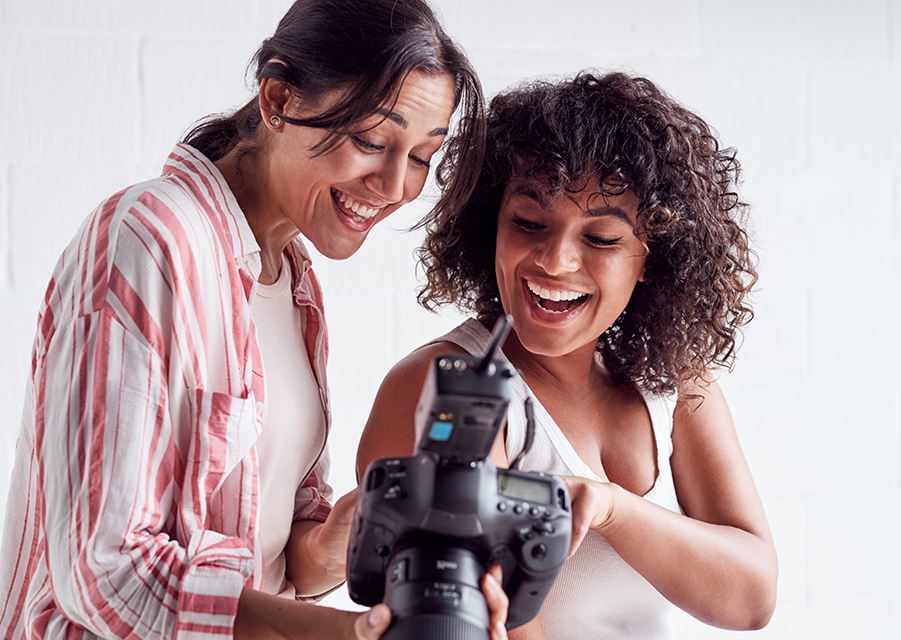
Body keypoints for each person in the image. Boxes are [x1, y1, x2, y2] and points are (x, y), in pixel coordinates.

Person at [0, 1, 511, 639]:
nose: (393, 184)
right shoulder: (150, 240)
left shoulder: (295, 281)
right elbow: (103, 570)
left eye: (420, 157)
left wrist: (339, 541)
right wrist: (340, 635)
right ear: (277, 99)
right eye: (372, 140)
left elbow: (270, 549)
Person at [357, 71, 778, 639]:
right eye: (529, 222)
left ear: (650, 254)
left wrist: (610, 508)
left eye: (601, 239)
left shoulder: (676, 384)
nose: (555, 261)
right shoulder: (449, 389)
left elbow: (751, 597)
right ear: (491, 225)